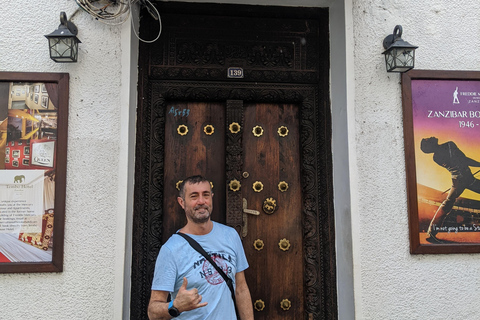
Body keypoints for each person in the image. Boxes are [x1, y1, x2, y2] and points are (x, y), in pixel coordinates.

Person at [148, 175, 254, 320]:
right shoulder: (171, 250)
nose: (201, 201)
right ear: (182, 202)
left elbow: (241, 288)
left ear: (212, 197)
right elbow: (152, 312)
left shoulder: (230, 235)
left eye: (205, 195)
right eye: (194, 196)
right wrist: (175, 306)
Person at [420, 137, 480, 242]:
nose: (430, 137)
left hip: (460, 180)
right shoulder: (449, 145)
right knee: (447, 203)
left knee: (447, 203)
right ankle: (431, 232)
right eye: (427, 140)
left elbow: (462, 161)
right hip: (464, 180)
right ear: (431, 145)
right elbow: (464, 160)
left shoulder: (436, 157)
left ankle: (431, 232)